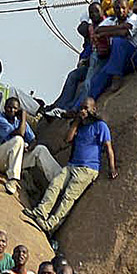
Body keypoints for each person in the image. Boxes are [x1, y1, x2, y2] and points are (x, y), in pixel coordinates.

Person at [31, 100, 116, 234]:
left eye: (86, 108)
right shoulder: (80, 126)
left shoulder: (100, 126)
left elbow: (108, 147)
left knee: (68, 197)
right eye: (81, 108)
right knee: (55, 184)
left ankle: (50, 225)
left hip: (87, 169)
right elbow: (67, 139)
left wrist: (112, 168)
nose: (83, 111)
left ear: (93, 110)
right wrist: (76, 121)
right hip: (72, 165)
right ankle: (40, 212)